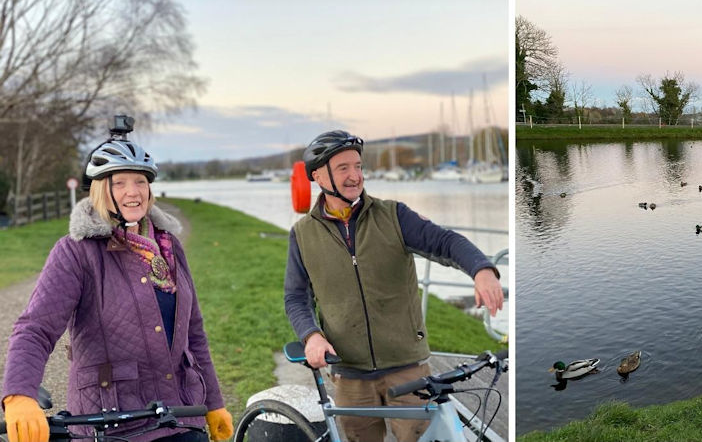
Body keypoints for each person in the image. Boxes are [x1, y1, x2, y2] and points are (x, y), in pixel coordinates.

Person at [1, 117, 233, 442]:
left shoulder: (169, 247)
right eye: (120, 182)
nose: (133, 192)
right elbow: (35, 328)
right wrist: (19, 394)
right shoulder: (77, 252)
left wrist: (213, 404)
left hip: (179, 417)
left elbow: (193, 334)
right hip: (111, 424)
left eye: (140, 181)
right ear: (100, 190)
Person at [284, 130, 504, 442]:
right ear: (319, 176)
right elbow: (295, 297)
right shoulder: (302, 234)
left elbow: (446, 242)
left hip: (408, 368)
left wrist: (481, 270)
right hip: (350, 374)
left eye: (358, 166)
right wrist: (312, 336)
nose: (355, 176)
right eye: (343, 168)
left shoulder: (393, 216)